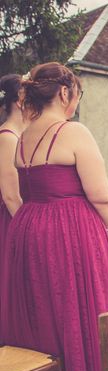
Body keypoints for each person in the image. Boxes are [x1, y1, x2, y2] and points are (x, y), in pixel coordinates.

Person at [0, 62, 108, 371]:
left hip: (30, 229)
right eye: (77, 92)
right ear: (64, 93)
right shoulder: (72, 131)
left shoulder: (21, 135)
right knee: (82, 316)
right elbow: (101, 193)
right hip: (70, 231)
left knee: (43, 319)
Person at [0, 74, 28, 272]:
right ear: (19, 100)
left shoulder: (18, 136)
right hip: (10, 221)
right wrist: (28, 232)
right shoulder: (7, 138)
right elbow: (10, 196)